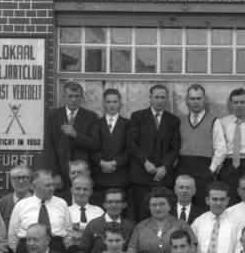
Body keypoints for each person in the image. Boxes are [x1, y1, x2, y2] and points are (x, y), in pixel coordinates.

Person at [127, 84, 181, 222]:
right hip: (141, 175)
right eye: (156, 97)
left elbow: (175, 148)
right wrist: (145, 162)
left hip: (164, 176)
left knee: (164, 216)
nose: (159, 100)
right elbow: (131, 144)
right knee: (142, 216)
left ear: (167, 99)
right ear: (150, 98)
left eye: (163, 97)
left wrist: (164, 166)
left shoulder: (173, 120)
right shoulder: (137, 117)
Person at [39, 81, 99, 191]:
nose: (73, 100)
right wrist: (54, 173)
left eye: (77, 96)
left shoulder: (91, 117)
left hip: (82, 174)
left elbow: (95, 145)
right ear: (64, 97)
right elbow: (48, 146)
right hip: (60, 172)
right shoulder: (53, 115)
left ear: (81, 97)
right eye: (70, 96)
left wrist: (76, 135)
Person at [210, 88, 245, 205]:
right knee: (230, 202)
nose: (239, 105)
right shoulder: (222, 122)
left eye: (242, 102)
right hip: (229, 166)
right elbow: (218, 146)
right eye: (236, 102)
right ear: (231, 104)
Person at [8, 170, 72, 253]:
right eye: (47, 185)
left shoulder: (62, 203)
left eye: (53, 185)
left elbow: (68, 232)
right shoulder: (21, 205)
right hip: (27, 250)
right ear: (34, 186)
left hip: (56, 249)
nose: (52, 188)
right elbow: (13, 235)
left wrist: (60, 250)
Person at [175, 84, 217, 208]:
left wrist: (211, 170)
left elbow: (221, 149)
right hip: (183, 167)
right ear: (187, 100)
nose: (195, 102)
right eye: (192, 99)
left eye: (198, 98)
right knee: (183, 206)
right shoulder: (180, 121)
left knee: (201, 206)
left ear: (204, 100)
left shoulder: (214, 121)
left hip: (204, 167)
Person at [78, 188, 135, 253]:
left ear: (124, 205)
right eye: (110, 202)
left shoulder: (129, 227)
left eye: (118, 202)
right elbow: (82, 251)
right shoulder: (93, 225)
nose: (114, 205)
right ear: (104, 205)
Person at [91, 88, 130, 207]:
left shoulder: (128, 123)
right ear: (104, 103)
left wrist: (115, 163)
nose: (112, 105)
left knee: (119, 212)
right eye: (109, 102)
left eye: (115, 102)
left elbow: (130, 149)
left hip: (120, 176)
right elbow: (92, 146)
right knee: (99, 211)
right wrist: (101, 163)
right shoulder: (96, 123)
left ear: (120, 104)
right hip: (100, 175)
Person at [0, 165, 33, 229]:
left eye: (25, 178)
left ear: (30, 180)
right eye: (16, 178)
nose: (21, 181)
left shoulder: (38, 202)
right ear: (11, 180)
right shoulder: (2, 203)